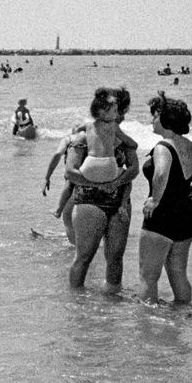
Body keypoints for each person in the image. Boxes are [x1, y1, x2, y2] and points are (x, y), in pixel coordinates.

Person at [139, 92, 192, 304]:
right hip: (186, 215)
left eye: (155, 116)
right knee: (178, 273)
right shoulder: (191, 146)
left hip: (163, 215)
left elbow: (162, 173)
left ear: (165, 119)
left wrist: (155, 200)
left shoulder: (163, 146)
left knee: (148, 276)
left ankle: (147, 322)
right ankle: (182, 316)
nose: (152, 120)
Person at [64, 88, 138, 291]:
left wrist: (115, 184)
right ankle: (76, 302)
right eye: (116, 112)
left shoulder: (123, 139)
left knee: (115, 257)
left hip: (120, 201)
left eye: (121, 112)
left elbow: (134, 169)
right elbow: (70, 172)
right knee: (84, 256)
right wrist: (99, 185)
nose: (119, 117)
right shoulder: (83, 137)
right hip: (89, 200)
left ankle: (112, 303)